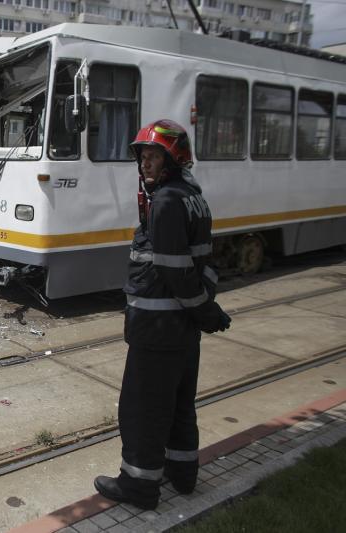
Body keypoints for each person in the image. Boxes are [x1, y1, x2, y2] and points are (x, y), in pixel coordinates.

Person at [94, 119, 231, 510]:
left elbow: (173, 269)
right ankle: (183, 474)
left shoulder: (168, 202)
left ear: (174, 159)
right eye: (144, 157)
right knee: (179, 402)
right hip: (182, 331)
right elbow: (201, 263)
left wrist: (204, 310)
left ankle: (138, 486)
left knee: (142, 410)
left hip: (157, 330)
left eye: (154, 156)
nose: (146, 164)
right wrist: (205, 310)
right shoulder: (194, 196)